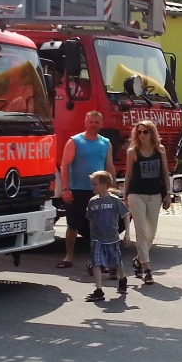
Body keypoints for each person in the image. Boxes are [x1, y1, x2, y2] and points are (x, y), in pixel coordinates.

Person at [57, 111, 116, 270]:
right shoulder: (75, 141)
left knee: (97, 227)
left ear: (101, 124)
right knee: (73, 225)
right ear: (85, 122)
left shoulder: (106, 143)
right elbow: (65, 166)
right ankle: (68, 257)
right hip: (77, 190)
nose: (93, 125)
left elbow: (109, 167)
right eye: (91, 121)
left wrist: (111, 189)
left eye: (96, 122)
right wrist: (66, 189)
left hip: (98, 193)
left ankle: (96, 261)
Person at [122, 120, 172, 285]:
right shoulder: (133, 152)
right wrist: (125, 195)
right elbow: (129, 175)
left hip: (155, 195)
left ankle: (138, 260)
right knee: (142, 231)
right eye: (139, 132)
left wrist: (168, 193)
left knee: (151, 233)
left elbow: (165, 173)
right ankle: (147, 269)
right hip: (136, 195)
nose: (141, 135)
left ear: (151, 133)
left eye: (145, 132)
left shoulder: (160, 150)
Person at [84, 171, 131, 302]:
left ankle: (122, 278)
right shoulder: (92, 202)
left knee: (115, 261)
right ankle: (99, 290)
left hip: (112, 237)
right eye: (92, 184)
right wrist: (91, 238)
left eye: (95, 184)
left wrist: (127, 234)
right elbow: (91, 221)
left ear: (104, 185)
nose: (93, 187)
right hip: (97, 238)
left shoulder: (114, 200)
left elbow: (126, 215)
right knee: (96, 263)